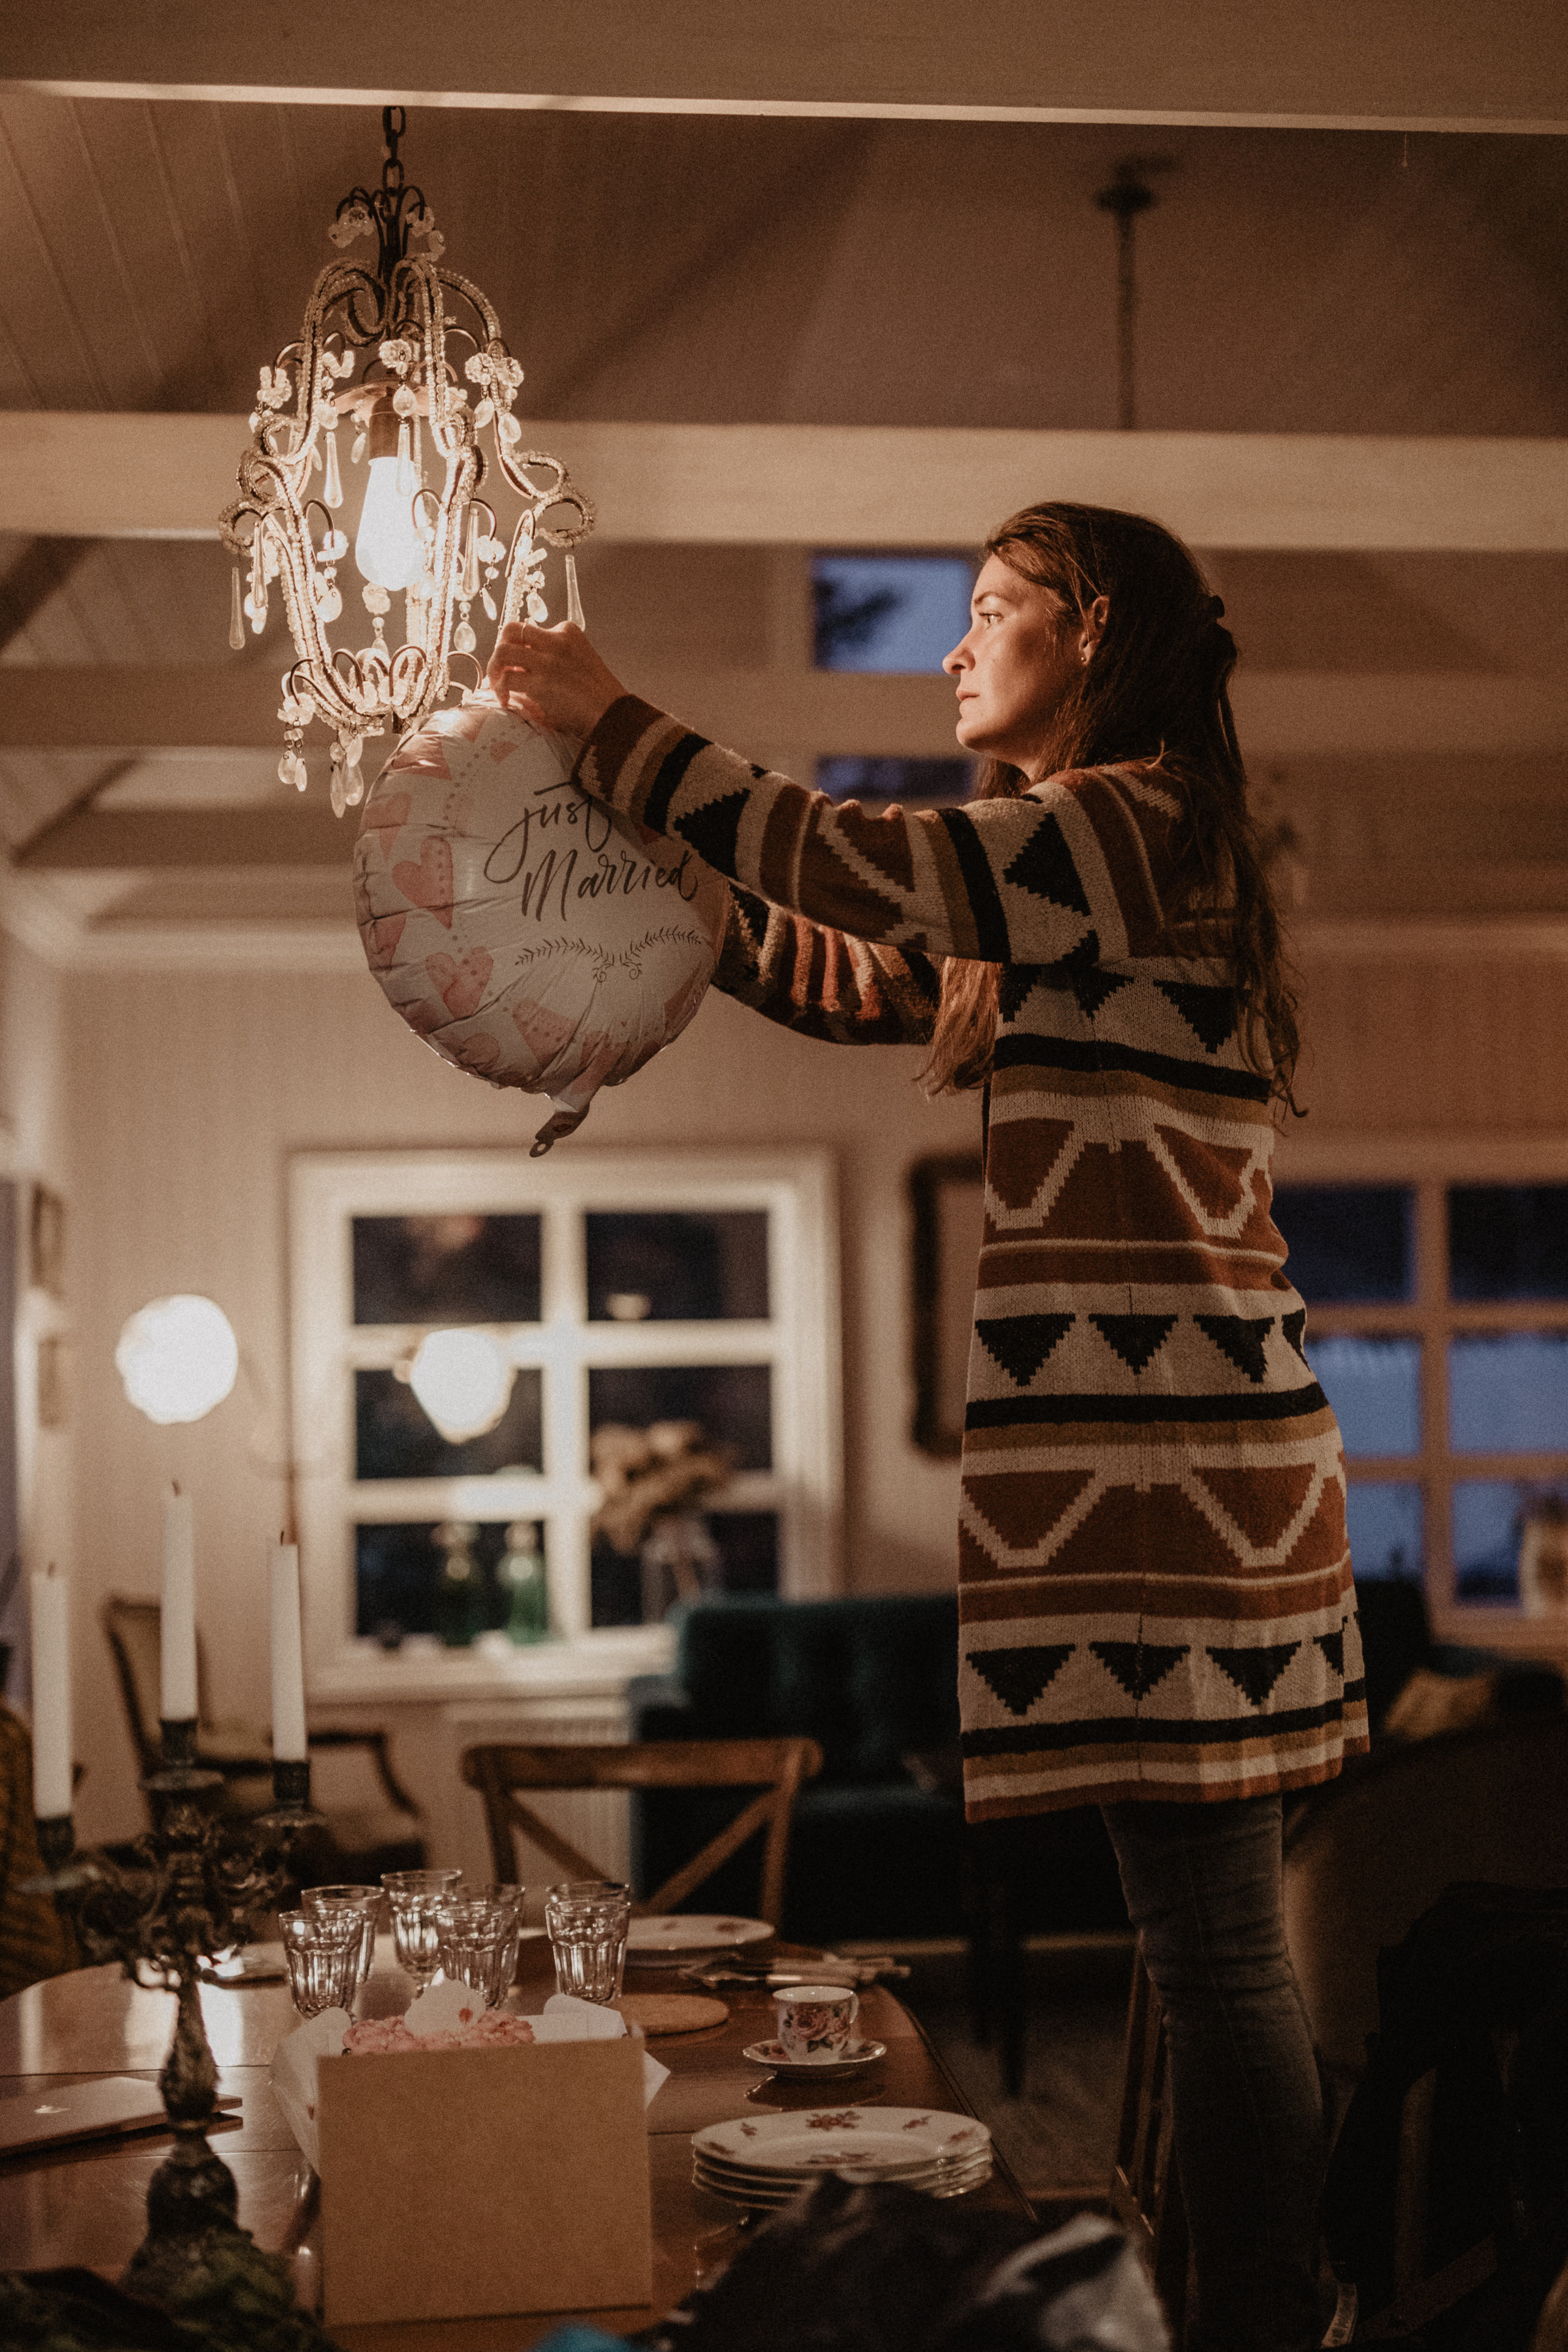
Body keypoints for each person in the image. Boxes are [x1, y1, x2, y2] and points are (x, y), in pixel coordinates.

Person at [489, 502, 1367, 2352]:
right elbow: (849, 960)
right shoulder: (1071, 870)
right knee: (1197, 1954)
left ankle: (1262, 2324)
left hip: (1183, 1488)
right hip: (1161, 1484)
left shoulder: (1139, 825)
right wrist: (667, 884)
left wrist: (619, 722)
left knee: (1213, 1960)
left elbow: (873, 864)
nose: (951, 651)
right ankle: (1233, 2306)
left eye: (989, 613)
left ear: (1097, 627)